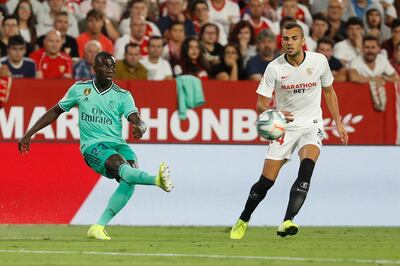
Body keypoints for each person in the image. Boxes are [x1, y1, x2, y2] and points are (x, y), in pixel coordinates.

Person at [18, 51, 174, 240]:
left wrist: (140, 127)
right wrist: (29, 133)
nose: (110, 70)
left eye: (112, 67)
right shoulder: (80, 89)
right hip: (93, 146)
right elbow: (55, 111)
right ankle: (156, 180)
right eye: (105, 66)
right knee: (119, 164)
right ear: (94, 68)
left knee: (130, 177)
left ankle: (98, 227)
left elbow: (137, 119)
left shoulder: (123, 95)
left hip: (118, 144)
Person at [230, 22, 348, 240]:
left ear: (303, 41)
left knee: (306, 169)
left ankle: (287, 221)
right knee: (266, 182)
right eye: (285, 38)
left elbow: (329, 92)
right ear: (281, 41)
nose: (289, 42)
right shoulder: (274, 68)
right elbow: (260, 105)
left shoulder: (319, 61)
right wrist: (277, 113)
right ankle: (243, 218)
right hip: (285, 128)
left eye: (294, 38)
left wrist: (338, 121)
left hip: (312, 124)